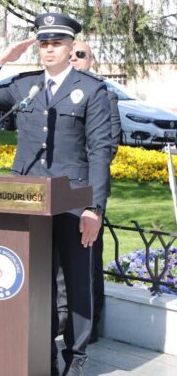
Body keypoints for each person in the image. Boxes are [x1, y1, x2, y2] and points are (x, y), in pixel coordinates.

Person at [0, 13, 111, 375]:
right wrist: (0, 60)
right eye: (43, 43)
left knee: (76, 281)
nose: (48, 50)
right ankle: (39, 352)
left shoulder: (91, 90)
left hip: (73, 199)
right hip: (27, 197)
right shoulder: (24, 85)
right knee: (35, 280)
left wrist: (94, 207)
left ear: (71, 47)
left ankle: (75, 358)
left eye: (56, 43)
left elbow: (100, 150)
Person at [58, 39, 121, 343]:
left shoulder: (101, 95)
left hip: (86, 189)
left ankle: (89, 325)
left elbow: (106, 146)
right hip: (56, 191)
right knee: (57, 262)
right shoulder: (56, 93)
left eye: (79, 55)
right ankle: (61, 318)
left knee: (87, 262)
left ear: (91, 61)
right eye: (69, 55)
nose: (73, 59)